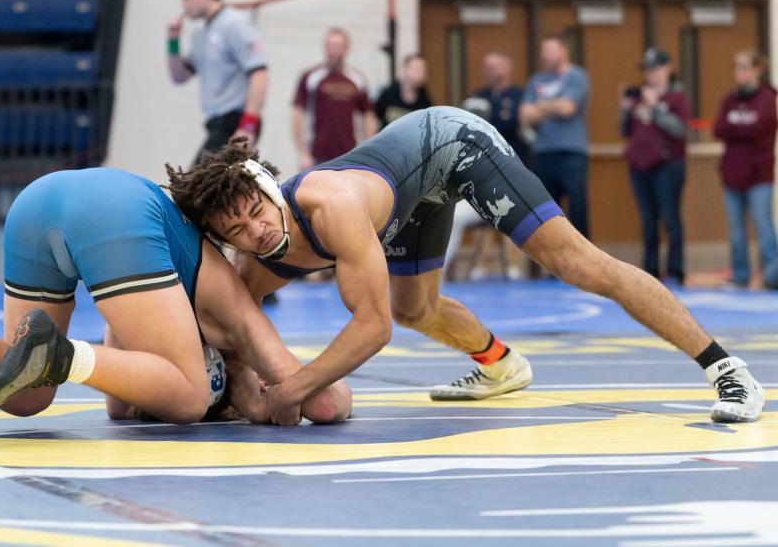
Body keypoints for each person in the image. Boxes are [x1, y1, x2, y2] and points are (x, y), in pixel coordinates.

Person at [167, 106, 766, 426]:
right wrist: (235, 388)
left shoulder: (329, 205)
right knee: (414, 310)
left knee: (575, 262)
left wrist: (290, 391)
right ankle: (501, 365)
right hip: (407, 195)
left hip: (455, 144)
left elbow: (368, 329)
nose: (257, 230)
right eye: (237, 230)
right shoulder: (259, 256)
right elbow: (238, 330)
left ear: (269, 188)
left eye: (256, 212)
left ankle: (726, 367)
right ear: (224, 238)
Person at [0, 168, 350, 426]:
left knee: (28, 396)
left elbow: (118, 406)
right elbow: (327, 404)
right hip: (112, 209)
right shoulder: (235, 309)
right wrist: (274, 401)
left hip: (36, 200)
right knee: (189, 398)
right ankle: (59, 353)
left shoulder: (165, 303)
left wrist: (244, 395)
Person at [167, 0, 268, 162]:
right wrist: (172, 40)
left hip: (236, 121)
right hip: (216, 124)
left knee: (197, 184)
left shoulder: (235, 24)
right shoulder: (201, 33)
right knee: (212, 188)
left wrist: (248, 126)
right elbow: (179, 77)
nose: (183, 5)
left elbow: (260, 74)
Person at [445, 51, 530, 278]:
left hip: (511, 177)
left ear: (507, 68)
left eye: (495, 66)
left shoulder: (519, 95)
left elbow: (515, 124)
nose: (489, 71)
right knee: (453, 214)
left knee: (513, 212)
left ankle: (514, 264)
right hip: (480, 178)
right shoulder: (479, 97)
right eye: (486, 66)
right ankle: (439, 270)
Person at [620, 48, 691, 286]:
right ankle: (650, 270)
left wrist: (656, 108)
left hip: (667, 166)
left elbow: (681, 130)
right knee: (648, 221)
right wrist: (624, 108)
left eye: (656, 69)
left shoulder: (677, 97)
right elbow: (625, 130)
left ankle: (675, 270)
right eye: (647, 70)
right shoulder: (638, 96)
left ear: (667, 68)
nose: (651, 75)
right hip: (640, 166)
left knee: (670, 218)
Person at [714, 49, 778, 290]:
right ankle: (740, 274)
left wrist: (737, 125)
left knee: (763, 225)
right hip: (732, 173)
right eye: (736, 67)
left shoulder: (767, 98)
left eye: (744, 67)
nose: (739, 72)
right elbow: (719, 128)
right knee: (736, 230)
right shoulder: (729, 100)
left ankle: (773, 275)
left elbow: (760, 127)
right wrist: (742, 124)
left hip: (759, 175)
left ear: (756, 70)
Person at [519, 35, 591, 237]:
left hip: (571, 153)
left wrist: (541, 105)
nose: (545, 55)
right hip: (543, 153)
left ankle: (583, 266)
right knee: (547, 214)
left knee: (577, 210)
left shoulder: (576, 76)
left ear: (563, 51)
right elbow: (525, 115)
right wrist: (553, 106)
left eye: (549, 50)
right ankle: (551, 268)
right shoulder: (537, 80)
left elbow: (568, 108)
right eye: (543, 51)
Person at [292, 28, 377, 169]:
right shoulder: (311, 78)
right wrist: (302, 152)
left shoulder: (357, 79)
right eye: (331, 46)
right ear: (325, 48)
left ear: (346, 49)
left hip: (350, 155)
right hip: (317, 156)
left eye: (339, 47)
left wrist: (369, 149)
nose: (335, 51)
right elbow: (297, 113)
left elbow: (368, 115)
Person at [374, 54, 432, 130]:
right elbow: (373, 116)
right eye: (417, 69)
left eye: (424, 70)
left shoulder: (425, 101)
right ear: (404, 69)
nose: (421, 73)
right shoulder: (388, 94)